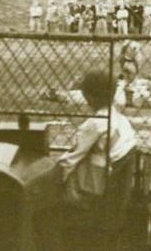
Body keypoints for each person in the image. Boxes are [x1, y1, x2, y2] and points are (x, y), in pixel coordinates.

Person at [57, 70, 138, 201]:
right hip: (121, 174)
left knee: (73, 169)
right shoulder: (121, 118)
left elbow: (71, 158)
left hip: (108, 179)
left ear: (89, 97)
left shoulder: (94, 124)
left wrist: (55, 177)